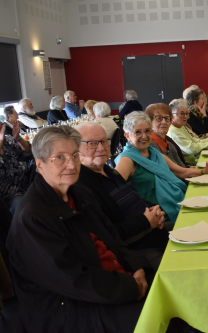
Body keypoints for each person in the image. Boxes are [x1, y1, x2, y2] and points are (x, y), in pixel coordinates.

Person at [6, 125, 152, 333]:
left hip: (114, 282)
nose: (71, 164)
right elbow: (71, 279)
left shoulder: (80, 194)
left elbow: (112, 238)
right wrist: (130, 286)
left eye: (75, 155)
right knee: (158, 320)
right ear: (40, 165)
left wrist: (137, 267)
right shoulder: (32, 217)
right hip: (70, 309)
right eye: (60, 157)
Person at [75, 123, 171, 262]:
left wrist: (156, 211)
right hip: (134, 250)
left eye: (103, 141)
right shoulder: (80, 186)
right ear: (76, 148)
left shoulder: (110, 171)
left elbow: (135, 199)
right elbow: (106, 234)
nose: (101, 148)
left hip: (152, 232)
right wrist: (146, 221)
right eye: (92, 143)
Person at [115, 112, 208, 221]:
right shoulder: (126, 159)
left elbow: (181, 172)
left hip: (175, 202)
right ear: (127, 135)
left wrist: (204, 171)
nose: (144, 136)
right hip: (160, 217)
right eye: (138, 132)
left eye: (147, 131)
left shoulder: (153, 152)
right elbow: (116, 195)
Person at [167, 100, 208, 165]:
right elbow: (192, 149)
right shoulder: (174, 131)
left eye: (186, 113)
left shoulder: (179, 125)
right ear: (172, 115)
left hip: (194, 160)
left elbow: (194, 140)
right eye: (182, 114)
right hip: (190, 165)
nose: (186, 116)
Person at [145, 103, 191, 168]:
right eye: (158, 118)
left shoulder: (169, 143)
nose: (164, 122)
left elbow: (181, 167)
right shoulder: (149, 146)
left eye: (167, 118)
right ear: (149, 122)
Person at [0, 120, 31, 214]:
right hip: (9, 195)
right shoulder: (2, 140)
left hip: (27, 184)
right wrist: (1, 141)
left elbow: (27, 153)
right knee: (25, 209)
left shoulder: (8, 139)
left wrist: (18, 138)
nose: (2, 124)